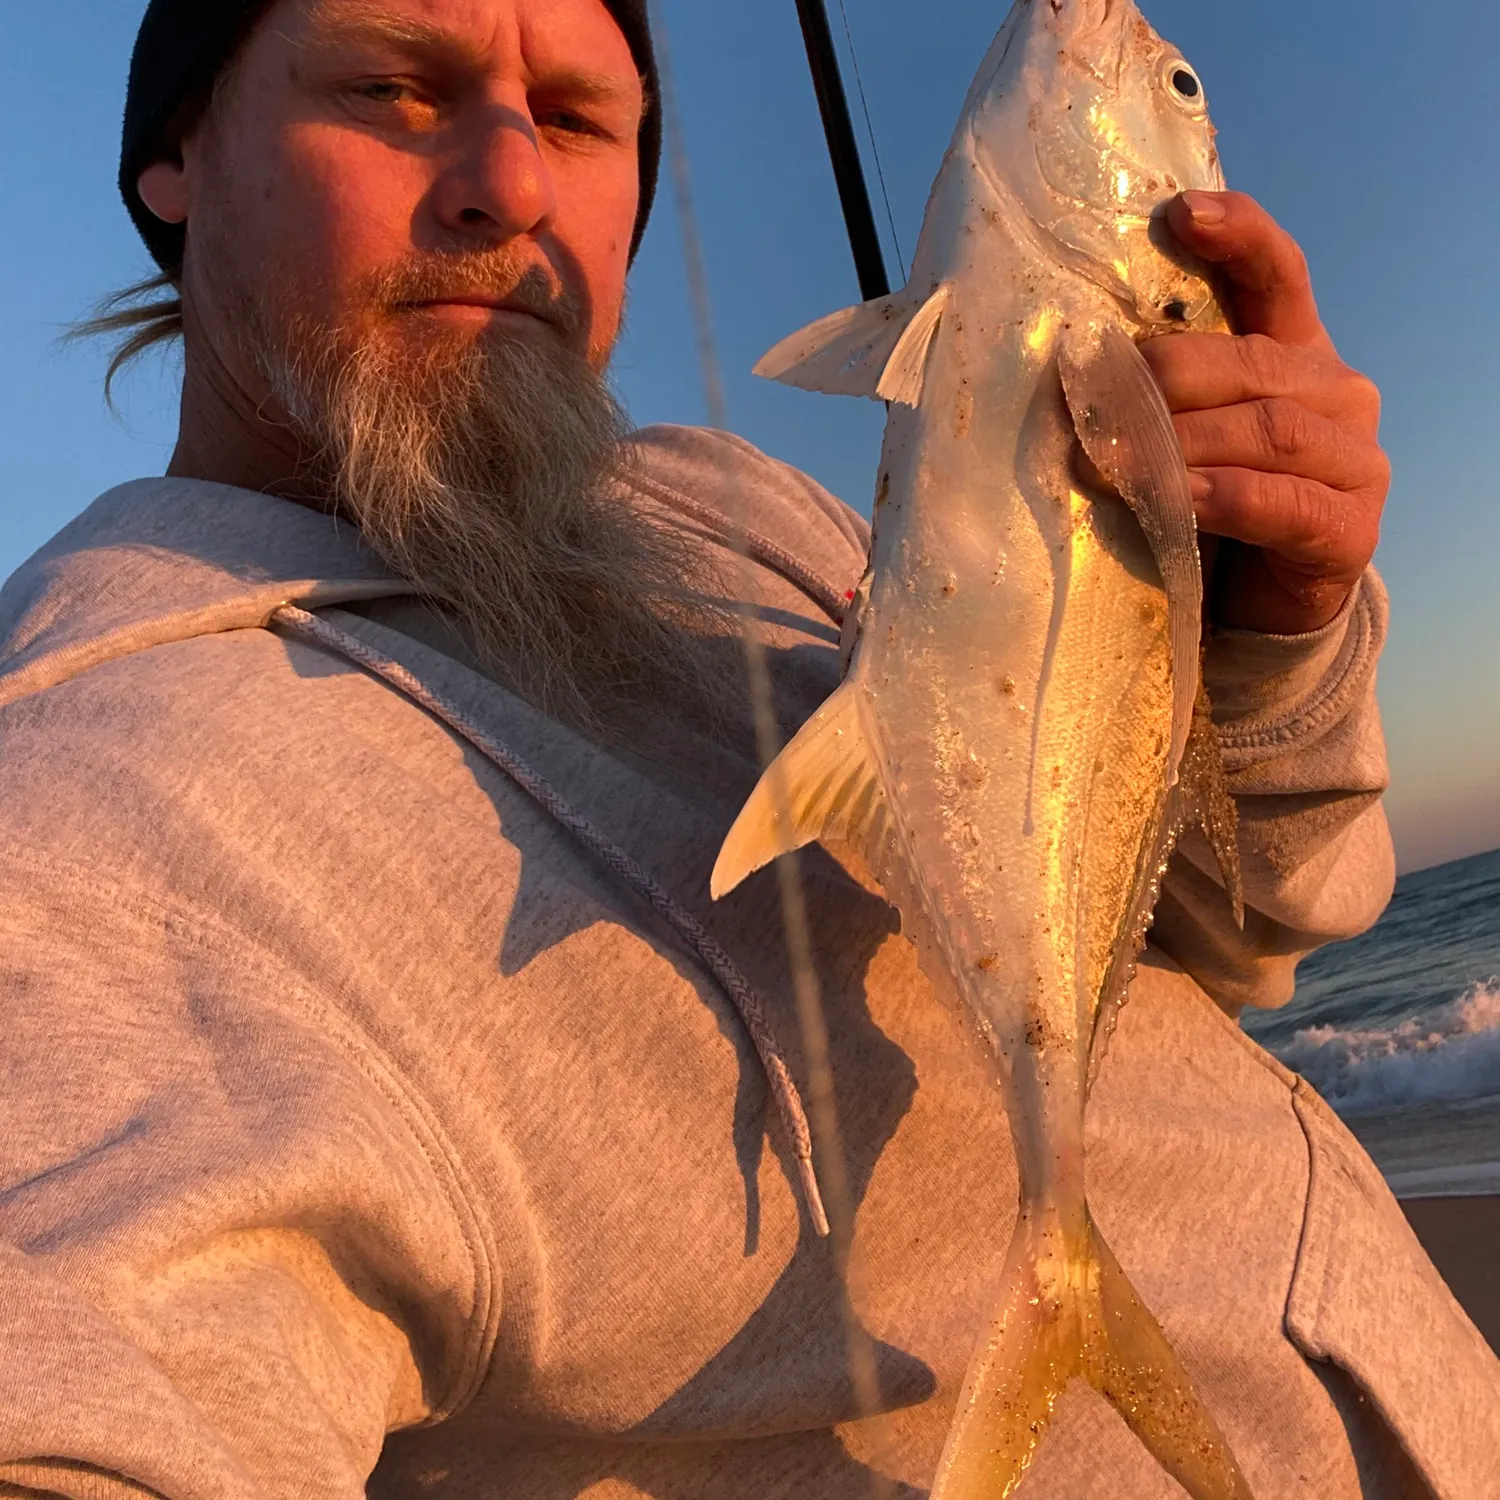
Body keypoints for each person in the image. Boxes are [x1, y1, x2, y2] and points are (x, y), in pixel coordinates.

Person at [0, 0, 1493, 1495]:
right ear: (175, 158)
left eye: (578, 120)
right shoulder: (90, 818)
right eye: (393, 87)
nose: (511, 185)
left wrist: (1269, 637)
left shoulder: (731, 505)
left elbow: (1240, 936)